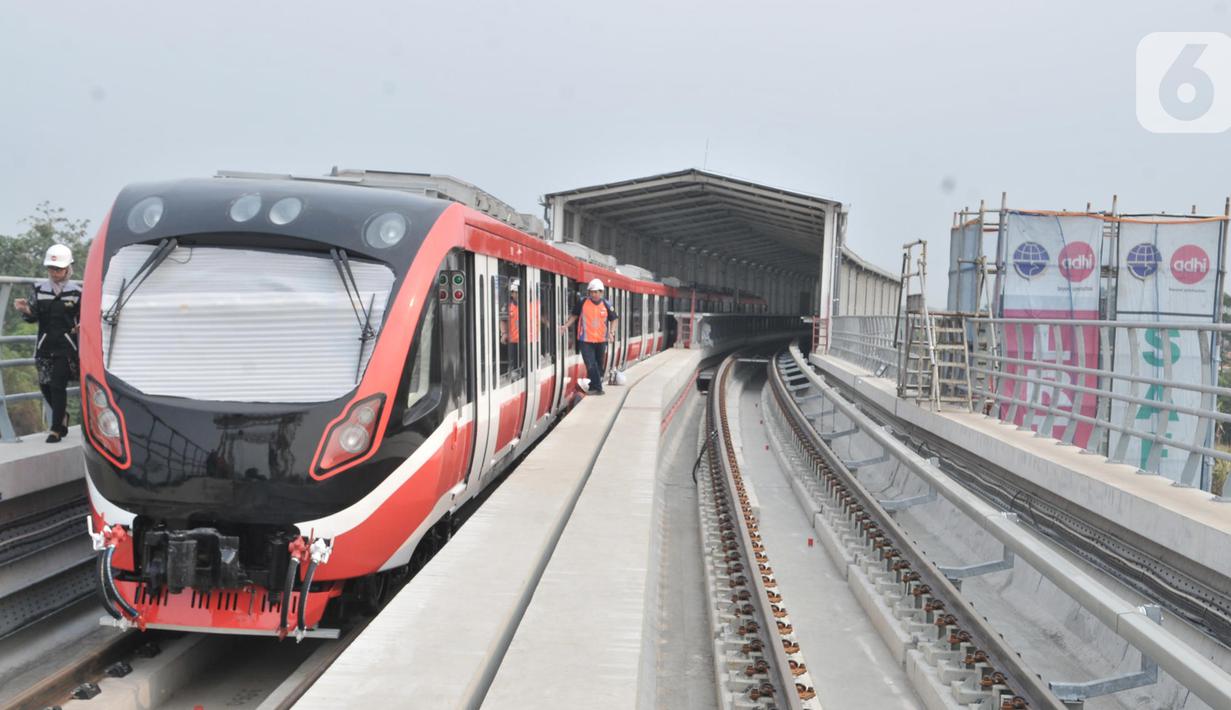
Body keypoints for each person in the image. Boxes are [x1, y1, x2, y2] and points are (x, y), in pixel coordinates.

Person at [14, 244, 81, 443]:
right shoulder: (39, 289)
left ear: (68, 268)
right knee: (45, 386)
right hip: (45, 345)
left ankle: (55, 429)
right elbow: (33, 317)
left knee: (57, 384)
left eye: (58, 269)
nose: (54, 273)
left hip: (66, 347)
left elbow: (84, 316)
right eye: (51, 269)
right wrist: (24, 310)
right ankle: (63, 417)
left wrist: (82, 326)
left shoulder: (77, 293)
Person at [561, 278, 618, 396]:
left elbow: (614, 319)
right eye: (592, 292)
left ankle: (593, 385)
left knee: (598, 364)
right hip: (585, 340)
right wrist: (565, 326)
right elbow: (574, 316)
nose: (594, 294)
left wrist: (612, 333)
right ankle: (598, 388)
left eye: (596, 292)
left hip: (601, 340)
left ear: (602, 292)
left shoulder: (607, 305)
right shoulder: (582, 303)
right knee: (590, 364)